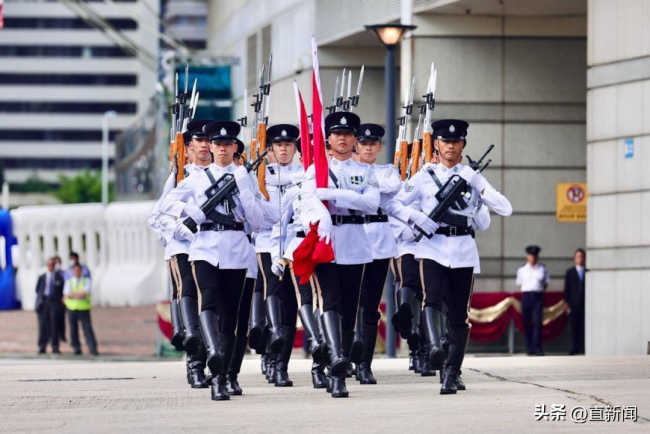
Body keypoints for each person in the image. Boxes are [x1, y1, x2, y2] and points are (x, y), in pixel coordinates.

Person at [388, 119, 512, 394]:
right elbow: (392, 203)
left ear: (463, 145)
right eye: (445, 141)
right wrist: (417, 217)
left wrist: (479, 188)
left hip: (464, 251)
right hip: (432, 248)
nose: (451, 146)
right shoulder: (423, 176)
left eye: (456, 142)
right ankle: (433, 347)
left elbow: (505, 208)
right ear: (437, 145)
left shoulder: (471, 176)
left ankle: (451, 372)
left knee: (459, 315)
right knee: (430, 299)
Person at [159, 120, 264, 401]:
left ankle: (222, 374)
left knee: (229, 316)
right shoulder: (195, 179)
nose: (221, 149)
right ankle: (214, 356)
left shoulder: (244, 177)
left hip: (236, 250)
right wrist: (193, 209)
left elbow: (256, 221)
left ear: (234, 148)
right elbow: (165, 205)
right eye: (217, 145)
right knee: (208, 301)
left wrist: (244, 190)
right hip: (204, 248)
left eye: (227, 145)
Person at [300, 111, 380, 398]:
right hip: (326, 242)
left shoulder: (366, 171)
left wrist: (335, 195)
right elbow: (307, 201)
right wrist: (322, 212)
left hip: (356, 242)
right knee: (329, 301)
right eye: (337, 134)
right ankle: (336, 365)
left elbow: (371, 203)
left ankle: (337, 365)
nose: (342, 139)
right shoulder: (316, 170)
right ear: (329, 139)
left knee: (349, 308)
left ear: (354, 139)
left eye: (347, 135)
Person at [150, 119, 214, 389]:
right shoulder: (179, 176)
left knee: (211, 307)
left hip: (211, 248)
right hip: (183, 249)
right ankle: (195, 364)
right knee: (189, 297)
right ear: (187, 148)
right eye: (198, 142)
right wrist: (177, 230)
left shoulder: (220, 174)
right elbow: (156, 216)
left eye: (207, 141)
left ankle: (212, 362)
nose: (204, 146)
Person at [253, 124, 304, 387]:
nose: (283, 149)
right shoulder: (260, 174)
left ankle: (281, 364)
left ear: (296, 148)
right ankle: (272, 344)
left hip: (295, 245)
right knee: (271, 290)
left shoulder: (305, 174)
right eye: (278, 145)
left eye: (288, 145)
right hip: (266, 243)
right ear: (270, 149)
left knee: (291, 303)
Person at [352, 124, 401, 384]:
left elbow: (395, 186)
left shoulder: (388, 170)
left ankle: (364, 364)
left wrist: (363, 188)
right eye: (364, 143)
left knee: (370, 306)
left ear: (379, 147)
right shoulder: (347, 170)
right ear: (355, 146)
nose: (368, 147)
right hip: (352, 236)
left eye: (373, 144)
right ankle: (346, 354)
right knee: (350, 303)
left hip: (380, 242)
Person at [516, 245, 549, 356]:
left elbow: (545, 283)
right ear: (527, 256)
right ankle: (529, 348)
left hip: (538, 296)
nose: (532, 258)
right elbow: (520, 284)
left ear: (537, 256)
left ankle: (537, 347)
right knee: (527, 323)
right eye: (530, 255)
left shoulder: (543, 268)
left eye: (534, 256)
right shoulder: (522, 269)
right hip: (526, 296)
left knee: (538, 323)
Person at [64, 263, 99, 355]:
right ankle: (76, 348)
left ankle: (92, 347)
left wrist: (74, 295)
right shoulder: (69, 281)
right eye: (75, 270)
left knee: (87, 328)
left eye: (78, 270)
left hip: (83, 308)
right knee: (73, 329)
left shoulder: (86, 280)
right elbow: (67, 294)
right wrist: (78, 295)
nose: (77, 272)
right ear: (72, 271)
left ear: (81, 271)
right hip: (72, 308)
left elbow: (85, 292)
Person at [35, 257, 66, 354]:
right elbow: (37, 289)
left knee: (54, 325)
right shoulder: (42, 276)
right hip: (44, 302)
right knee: (43, 325)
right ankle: (42, 346)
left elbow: (62, 290)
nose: (51, 266)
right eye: (49, 264)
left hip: (55, 302)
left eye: (53, 265)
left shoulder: (59, 277)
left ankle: (55, 346)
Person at [564, 248, 586, 355]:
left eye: (582, 256)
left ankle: (583, 347)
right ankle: (575, 347)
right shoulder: (570, 272)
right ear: (574, 259)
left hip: (585, 303)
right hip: (574, 303)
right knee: (574, 327)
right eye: (578, 256)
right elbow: (567, 289)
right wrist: (566, 302)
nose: (580, 259)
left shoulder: (587, 271)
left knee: (583, 327)